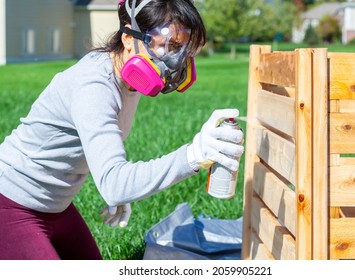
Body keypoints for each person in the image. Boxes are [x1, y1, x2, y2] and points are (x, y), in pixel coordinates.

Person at [0, 0, 244, 260]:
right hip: (11, 204)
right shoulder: (94, 86)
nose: (175, 60)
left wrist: (127, 187)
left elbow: (106, 148)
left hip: (56, 206)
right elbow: (114, 184)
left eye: (182, 47)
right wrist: (193, 155)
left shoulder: (127, 76)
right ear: (129, 38)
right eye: (169, 45)